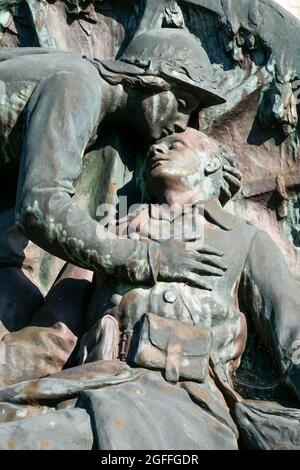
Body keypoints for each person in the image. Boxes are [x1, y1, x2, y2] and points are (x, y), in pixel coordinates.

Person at [77, 128, 300, 450]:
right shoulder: (110, 231)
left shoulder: (242, 238)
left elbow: (292, 335)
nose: (157, 151)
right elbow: (57, 324)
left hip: (187, 403)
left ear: (211, 164)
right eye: (154, 147)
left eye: (174, 145)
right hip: (92, 384)